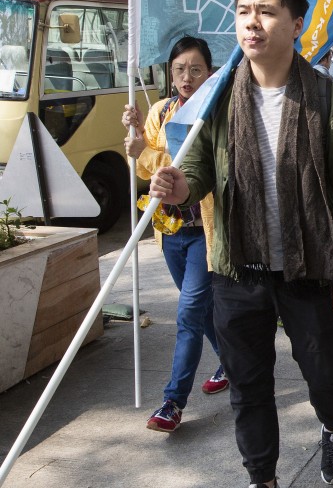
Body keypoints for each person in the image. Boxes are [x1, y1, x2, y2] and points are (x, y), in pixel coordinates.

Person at [148, 0, 333, 488]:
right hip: (236, 269)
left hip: (307, 266)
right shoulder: (218, 95)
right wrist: (180, 187)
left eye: (267, 12)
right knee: (248, 385)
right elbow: (198, 165)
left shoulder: (325, 98)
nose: (252, 24)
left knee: (325, 373)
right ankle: (261, 476)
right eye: (244, 13)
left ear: (296, 24)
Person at [121, 36, 228, 433]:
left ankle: (172, 402)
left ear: (210, 72)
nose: (187, 77)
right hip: (169, 231)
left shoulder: (214, 113)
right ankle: (234, 365)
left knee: (187, 314)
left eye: (196, 69)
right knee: (201, 314)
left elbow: (178, 167)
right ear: (170, 73)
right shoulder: (161, 110)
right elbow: (148, 174)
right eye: (180, 69)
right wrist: (135, 143)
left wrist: (142, 153)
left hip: (204, 230)